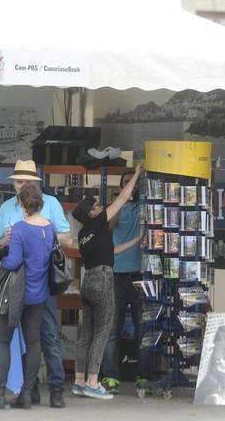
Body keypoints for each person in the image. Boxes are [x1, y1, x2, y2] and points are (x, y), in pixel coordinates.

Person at [0, 159, 72, 408]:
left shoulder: (52, 204)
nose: (21, 185)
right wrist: (5, 239)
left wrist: (33, 235)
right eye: (18, 181)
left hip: (41, 280)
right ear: (13, 183)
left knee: (47, 338)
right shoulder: (6, 208)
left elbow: (67, 238)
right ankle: (30, 390)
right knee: (32, 338)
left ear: (35, 184)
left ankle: (56, 389)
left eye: (26, 181)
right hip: (19, 284)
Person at [0, 183, 54, 410]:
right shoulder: (48, 228)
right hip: (39, 293)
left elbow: (13, 262)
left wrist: (4, 247)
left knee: (2, 340)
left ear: (20, 204)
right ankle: (27, 394)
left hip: (16, 292)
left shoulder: (19, 228)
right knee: (34, 342)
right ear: (41, 203)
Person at [71, 164, 142, 400]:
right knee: (103, 333)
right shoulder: (100, 221)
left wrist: (136, 240)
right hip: (103, 279)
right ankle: (93, 382)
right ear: (92, 212)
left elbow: (112, 250)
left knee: (85, 335)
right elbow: (123, 197)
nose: (102, 207)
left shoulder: (84, 234)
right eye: (98, 206)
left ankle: (79, 380)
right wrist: (138, 173)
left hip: (87, 280)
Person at [101, 170, 146, 394]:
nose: (133, 186)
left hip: (142, 275)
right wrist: (122, 199)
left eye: (136, 183)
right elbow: (108, 227)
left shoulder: (145, 206)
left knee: (143, 329)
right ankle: (110, 376)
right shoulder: (116, 207)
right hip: (117, 275)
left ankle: (143, 375)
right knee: (112, 329)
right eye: (128, 183)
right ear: (121, 186)